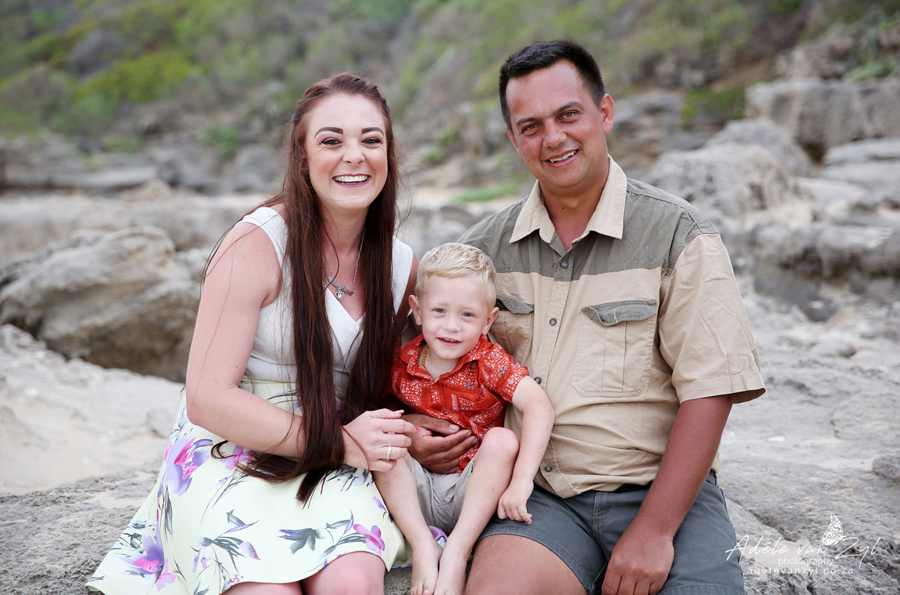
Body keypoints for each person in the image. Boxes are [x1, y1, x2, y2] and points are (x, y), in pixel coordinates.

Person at [407, 41, 766, 595]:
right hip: (536, 500)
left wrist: (655, 531)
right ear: (513, 140)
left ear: (605, 113)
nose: (553, 138)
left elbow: (711, 390)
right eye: (530, 126)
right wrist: (414, 431)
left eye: (568, 115)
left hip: (659, 494)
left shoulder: (678, 234)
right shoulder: (482, 252)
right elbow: (415, 358)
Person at [87, 73, 426, 595]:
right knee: (262, 588)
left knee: (353, 582)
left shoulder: (400, 267)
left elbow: (382, 388)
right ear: (302, 156)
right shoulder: (255, 245)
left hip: (337, 452)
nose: (354, 156)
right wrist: (336, 442)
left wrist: (414, 429)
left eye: (371, 140)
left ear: (389, 153)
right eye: (331, 141)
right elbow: (207, 397)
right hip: (234, 444)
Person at [374, 243, 554, 595]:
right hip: (414, 492)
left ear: (488, 321)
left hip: (473, 493)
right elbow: (367, 404)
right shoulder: (402, 361)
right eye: (439, 311)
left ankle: (457, 551)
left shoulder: (488, 362)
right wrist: (406, 423)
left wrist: (522, 481)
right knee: (383, 435)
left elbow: (539, 407)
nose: (452, 326)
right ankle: (423, 545)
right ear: (417, 311)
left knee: (502, 440)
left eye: (468, 315)